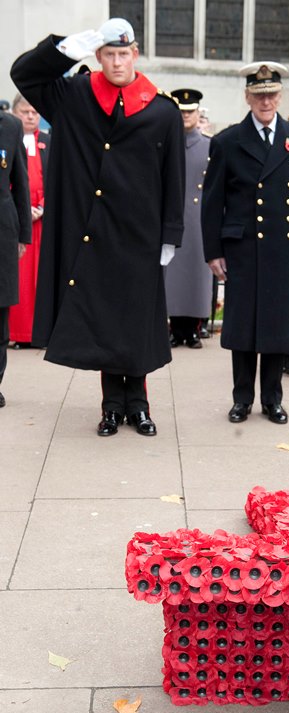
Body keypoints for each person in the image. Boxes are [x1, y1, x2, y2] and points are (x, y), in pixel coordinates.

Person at [11, 18, 185, 436]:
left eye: (123, 54)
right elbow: (24, 75)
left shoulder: (163, 110)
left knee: (136, 321)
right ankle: (111, 407)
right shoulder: (75, 96)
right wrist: (62, 50)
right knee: (106, 320)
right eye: (109, 54)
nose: (117, 62)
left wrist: (171, 234)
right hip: (94, 234)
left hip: (141, 236)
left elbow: (173, 177)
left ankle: (138, 405)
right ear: (98, 56)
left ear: (135, 54)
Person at [201, 61, 289, 424]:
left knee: (277, 326)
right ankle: (242, 399)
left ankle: (272, 399)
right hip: (243, 248)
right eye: (258, 95)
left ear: (280, 96)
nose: (266, 102)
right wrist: (213, 251)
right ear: (247, 97)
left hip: (285, 248)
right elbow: (213, 202)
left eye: (272, 95)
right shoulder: (227, 141)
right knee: (243, 327)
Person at [164, 88, 212, 350]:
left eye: (190, 111)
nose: (186, 116)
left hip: (198, 218)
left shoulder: (209, 145)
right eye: (181, 112)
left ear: (198, 113)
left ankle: (194, 329)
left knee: (197, 275)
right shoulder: (166, 144)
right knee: (172, 275)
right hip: (173, 215)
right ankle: (174, 328)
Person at [9, 93, 50, 348]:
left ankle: (40, 332)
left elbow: (56, 178)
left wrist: (42, 207)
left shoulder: (49, 141)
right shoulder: (7, 139)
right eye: (25, 112)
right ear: (15, 113)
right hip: (16, 220)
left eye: (35, 112)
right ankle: (19, 333)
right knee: (20, 279)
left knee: (41, 277)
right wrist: (21, 210)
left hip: (43, 220)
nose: (31, 116)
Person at [0, 110, 32, 408]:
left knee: (0, 311)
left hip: (3, 231)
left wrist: (24, 234)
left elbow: (20, 182)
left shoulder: (10, 126)